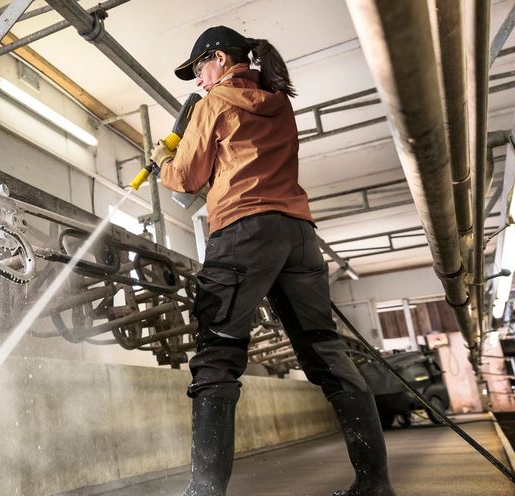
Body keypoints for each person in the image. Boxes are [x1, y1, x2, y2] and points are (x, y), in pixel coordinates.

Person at [149, 26, 396, 496]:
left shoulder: (213, 104)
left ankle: (205, 492)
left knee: (217, 356)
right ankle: (374, 484)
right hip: (298, 234)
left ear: (218, 59)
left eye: (199, 68)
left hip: (243, 230)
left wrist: (164, 159)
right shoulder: (279, 102)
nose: (198, 81)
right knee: (326, 351)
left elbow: (186, 178)